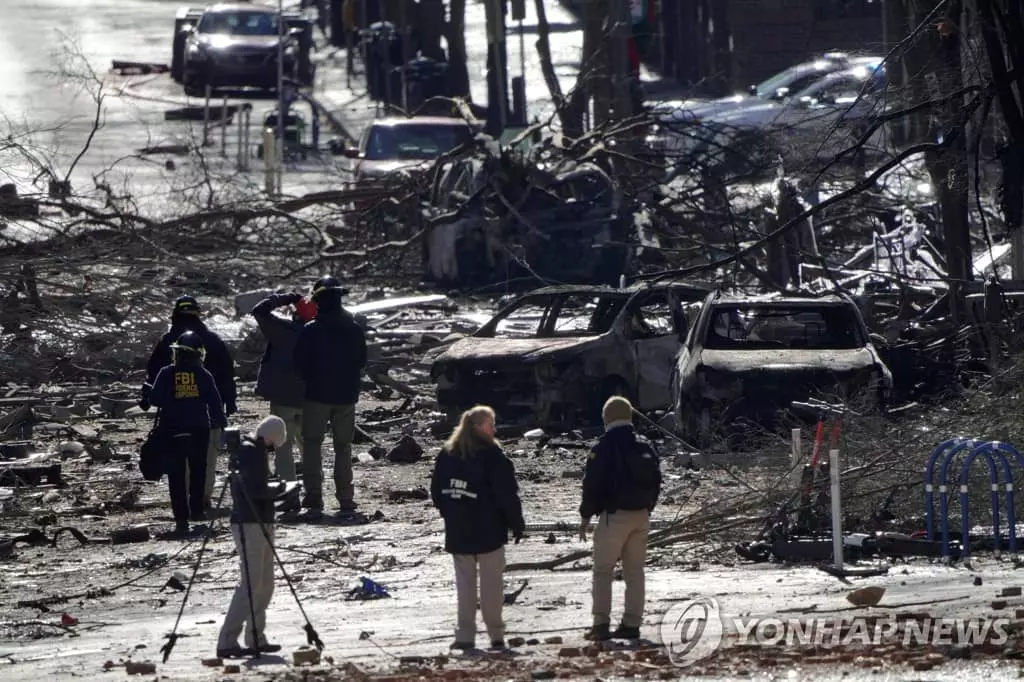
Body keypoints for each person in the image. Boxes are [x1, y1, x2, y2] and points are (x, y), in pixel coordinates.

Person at [430, 405, 525, 651]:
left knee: (465, 586)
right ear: (479, 426)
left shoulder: (448, 454)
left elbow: (437, 491)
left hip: (458, 530)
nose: (494, 428)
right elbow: (507, 495)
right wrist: (516, 524)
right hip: (489, 531)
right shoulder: (493, 457)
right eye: (490, 424)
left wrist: (449, 514)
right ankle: (495, 634)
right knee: (492, 586)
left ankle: (464, 635)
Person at [141, 295, 237, 513]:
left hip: (172, 423)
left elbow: (152, 378)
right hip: (203, 422)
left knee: (177, 468)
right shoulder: (211, 343)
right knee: (203, 465)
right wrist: (228, 407)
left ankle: (181, 511)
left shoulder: (167, 344)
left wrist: (151, 398)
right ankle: (201, 503)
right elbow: (225, 377)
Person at [579, 396, 662, 641]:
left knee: (603, 571)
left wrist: (585, 516)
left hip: (614, 517)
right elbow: (657, 480)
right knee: (635, 572)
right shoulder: (645, 445)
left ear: (606, 418)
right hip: (641, 516)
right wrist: (649, 508)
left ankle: (601, 624)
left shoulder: (603, 447)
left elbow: (591, 485)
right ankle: (632, 624)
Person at [293, 276, 367, 519]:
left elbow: (299, 364)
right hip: (346, 397)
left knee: (312, 445)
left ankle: (314, 497)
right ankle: (346, 498)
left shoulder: (311, 330)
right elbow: (361, 362)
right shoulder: (354, 329)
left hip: (317, 396)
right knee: (343, 447)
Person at [216, 416, 288, 658]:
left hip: (261, 521)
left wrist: (275, 489)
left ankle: (256, 637)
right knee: (251, 584)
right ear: (272, 437)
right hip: (250, 523)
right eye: (276, 443)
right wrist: (280, 489)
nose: (275, 448)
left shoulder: (255, 451)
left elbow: (254, 487)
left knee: (265, 584)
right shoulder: (250, 452)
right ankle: (227, 641)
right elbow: (252, 490)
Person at [148, 331, 228, 537]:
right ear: (199, 354)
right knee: (198, 471)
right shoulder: (203, 374)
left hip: (172, 430)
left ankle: (181, 520)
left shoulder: (166, 373)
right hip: (199, 429)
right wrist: (223, 428)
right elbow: (215, 404)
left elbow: (155, 400)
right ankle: (198, 512)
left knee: (175, 476)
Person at [250, 292, 318, 485]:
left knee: (283, 447)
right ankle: (314, 493)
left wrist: (287, 297)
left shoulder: (283, 331)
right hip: (311, 400)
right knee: (310, 447)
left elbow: (259, 310)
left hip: (284, 400)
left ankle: (289, 492)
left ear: (296, 313)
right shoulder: (322, 335)